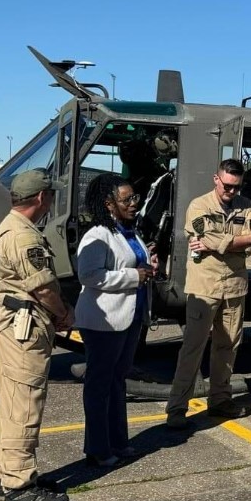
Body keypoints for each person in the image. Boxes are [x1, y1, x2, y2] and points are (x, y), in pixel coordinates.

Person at [0, 169, 72, 501]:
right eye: (50, 195)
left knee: (11, 403)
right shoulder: (23, 237)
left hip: (12, 325)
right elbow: (43, 287)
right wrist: (64, 313)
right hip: (25, 327)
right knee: (24, 403)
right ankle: (19, 486)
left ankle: (7, 472)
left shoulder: (10, 227)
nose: (51, 201)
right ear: (40, 198)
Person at [166, 159, 251, 426]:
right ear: (216, 179)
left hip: (234, 287)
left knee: (228, 346)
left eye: (236, 187)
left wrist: (224, 244)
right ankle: (176, 408)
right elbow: (205, 238)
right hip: (204, 287)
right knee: (193, 348)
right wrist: (239, 241)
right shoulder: (199, 205)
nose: (231, 192)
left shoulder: (246, 206)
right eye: (227, 186)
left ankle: (220, 400)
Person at [74, 174, 156, 467]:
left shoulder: (127, 232)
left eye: (135, 198)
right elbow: (89, 275)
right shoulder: (97, 235)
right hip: (103, 321)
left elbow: (129, 262)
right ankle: (97, 448)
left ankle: (118, 441)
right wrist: (135, 276)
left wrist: (147, 265)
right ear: (109, 204)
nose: (135, 203)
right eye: (127, 200)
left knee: (117, 381)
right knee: (100, 384)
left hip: (129, 317)